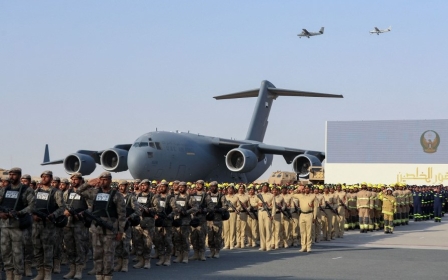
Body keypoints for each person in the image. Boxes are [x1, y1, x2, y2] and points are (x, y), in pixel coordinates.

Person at [76, 172, 126, 280]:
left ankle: (107, 276)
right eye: (101, 179)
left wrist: (120, 231)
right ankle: (99, 276)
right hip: (96, 229)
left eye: (106, 179)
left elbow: (122, 215)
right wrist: (88, 183)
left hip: (110, 229)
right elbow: (79, 191)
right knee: (97, 255)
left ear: (110, 181)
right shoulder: (95, 193)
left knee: (108, 255)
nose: (103, 181)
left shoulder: (117, 195)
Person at [0, 168, 35, 280]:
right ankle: (9, 274)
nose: (11, 176)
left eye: (13, 174)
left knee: (17, 252)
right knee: (5, 252)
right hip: (5, 225)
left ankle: (18, 275)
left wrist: (19, 212)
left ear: (19, 175)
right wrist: (1, 214)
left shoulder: (26, 190)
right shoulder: (4, 190)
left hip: (17, 225)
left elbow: (32, 205)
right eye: (10, 174)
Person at [32, 170, 66, 280]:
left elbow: (62, 208)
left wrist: (53, 215)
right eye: (43, 177)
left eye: (47, 177)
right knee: (37, 249)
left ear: (51, 179)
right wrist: (33, 216)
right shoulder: (36, 192)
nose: (44, 179)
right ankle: (40, 272)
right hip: (36, 225)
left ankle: (47, 273)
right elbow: (31, 206)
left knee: (48, 250)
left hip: (48, 225)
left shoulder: (56, 192)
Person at [62, 172, 90, 279]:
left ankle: (79, 270)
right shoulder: (67, 192)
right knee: (69, 247)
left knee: (80, 247)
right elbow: (62, 205)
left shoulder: (85, 193)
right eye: (72, 179)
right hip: (68, 224)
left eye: (76, 179)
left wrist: (81, 214)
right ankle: (72, 270)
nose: (74, 181)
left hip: (80, 224)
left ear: (81, 180)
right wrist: (65, 212)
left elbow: (91, 208)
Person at [114, 180, 141, 272]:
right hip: (117, 224)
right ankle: (119, 263)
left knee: (125, 244)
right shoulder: (115, 196)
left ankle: (125, 264)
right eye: (120, 186)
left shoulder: (131, 197)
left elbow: (137, 211)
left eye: (123, 186)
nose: (121, 187)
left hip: (126, 225)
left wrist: (129, 217)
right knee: (117, 244)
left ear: (127, 186)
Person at [133, 179, 159, 269]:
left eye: (144, 185)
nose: (143, 187)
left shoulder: (153, 196)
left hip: (149, 222)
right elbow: (133, 207)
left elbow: (157, 209)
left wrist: (147, 209)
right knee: (138, 241)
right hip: (138, 222)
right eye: (142, 185)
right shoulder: (137, 196)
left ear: (148, 186)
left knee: (147, 242)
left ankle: (147, 261)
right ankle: (141, 260)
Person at [172, 182, 197, 263]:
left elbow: (196, 207)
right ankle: (179, 255)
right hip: (177, 220)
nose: (181, 188)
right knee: (177, 238)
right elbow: (172, 206)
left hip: (185, 221)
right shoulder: (175, 197)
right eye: (180, 187)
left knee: (185, 239)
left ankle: (185, 255)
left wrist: (187, 212)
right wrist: (176, 210)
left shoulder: (190, 197)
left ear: (186, 188)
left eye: (182, 187)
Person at [294, 185, 318, 252]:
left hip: (309, 214)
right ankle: (303, 246)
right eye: (305, 188)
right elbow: (292, 194)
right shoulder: (300, 195)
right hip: (302, 214)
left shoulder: (313, 196)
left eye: (308, 188)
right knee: (302, 232)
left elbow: (315, 207)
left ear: (310, 189)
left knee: (309, 232)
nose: (306, 189)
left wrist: (314, 217)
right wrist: (298, 189)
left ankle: (308, 247)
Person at [207, 181, 227, 258]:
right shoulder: (208, 196)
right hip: (209, 219)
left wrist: (218, 209)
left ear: (216, 187)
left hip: (217, 219)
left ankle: (217, 251)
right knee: (210, 236)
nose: (212, 188)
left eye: (213, 186)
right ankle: (212, 251)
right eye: (211, 186)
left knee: (217, 236)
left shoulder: (221, 196)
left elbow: (225, 206)